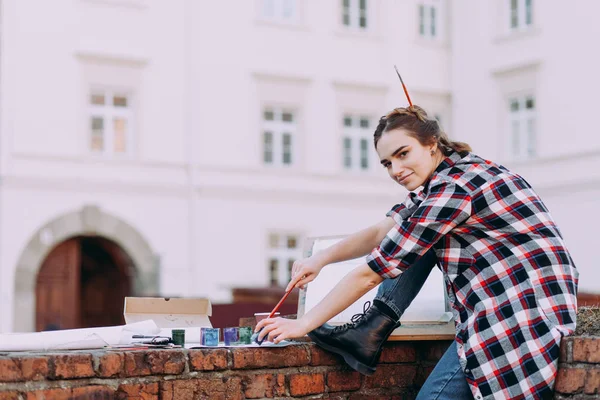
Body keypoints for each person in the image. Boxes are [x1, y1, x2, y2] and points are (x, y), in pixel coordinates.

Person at [255, 105, 579, 400]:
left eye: (403, 153)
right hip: (493, 314)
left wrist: (303, 324)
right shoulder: (447, 179)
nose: (396, 169)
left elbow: (372, 272)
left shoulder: (455, 188)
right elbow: (382, 230)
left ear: (432, 143)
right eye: (387, 163)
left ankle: (369, 329)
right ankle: (370, 328)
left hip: (518, 318)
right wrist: (320, 260)